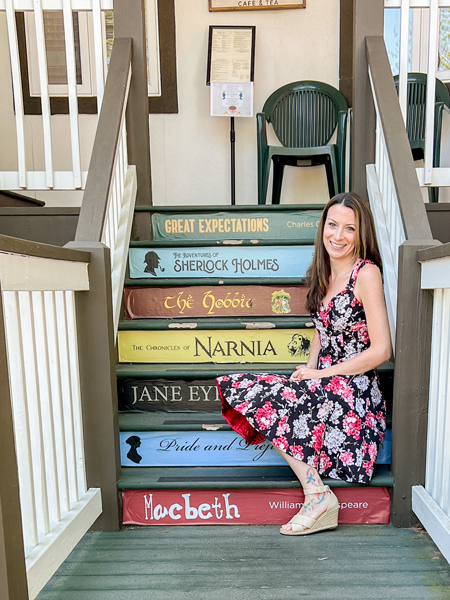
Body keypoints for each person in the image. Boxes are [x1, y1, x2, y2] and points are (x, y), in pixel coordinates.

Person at [216, 193, 392, 536]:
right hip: (325, 382)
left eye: (349, 229)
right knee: (248, 388)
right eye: (332, 225)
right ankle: (317, 493)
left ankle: (317, 497)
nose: (338, 236)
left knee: (274, 401)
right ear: (323, 227)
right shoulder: (323, 271)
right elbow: (321, 331)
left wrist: (321, 374)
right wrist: (307, 372)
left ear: (362, 233)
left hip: (354, 392)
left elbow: (382, 350)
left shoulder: (366, 274)